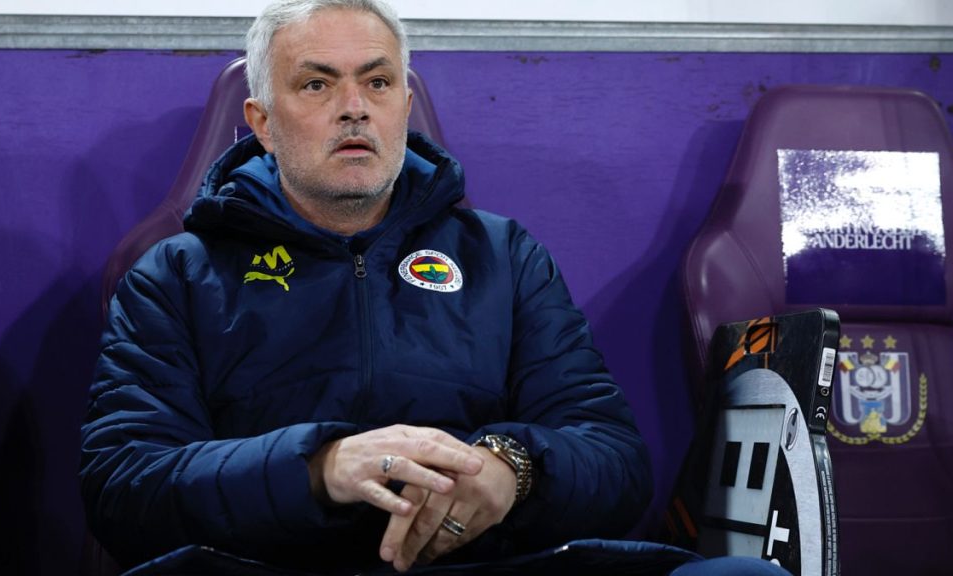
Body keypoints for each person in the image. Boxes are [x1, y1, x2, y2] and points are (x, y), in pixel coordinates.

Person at [80, 1, 787, 574]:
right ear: (262, 122)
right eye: (317, 84)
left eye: (377, 82)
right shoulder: (176, 275)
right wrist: (319, 467)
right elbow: (123, 488)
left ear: (404, 103)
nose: (354, 108)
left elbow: (615, 461)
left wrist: (512, 470)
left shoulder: (504, 257)